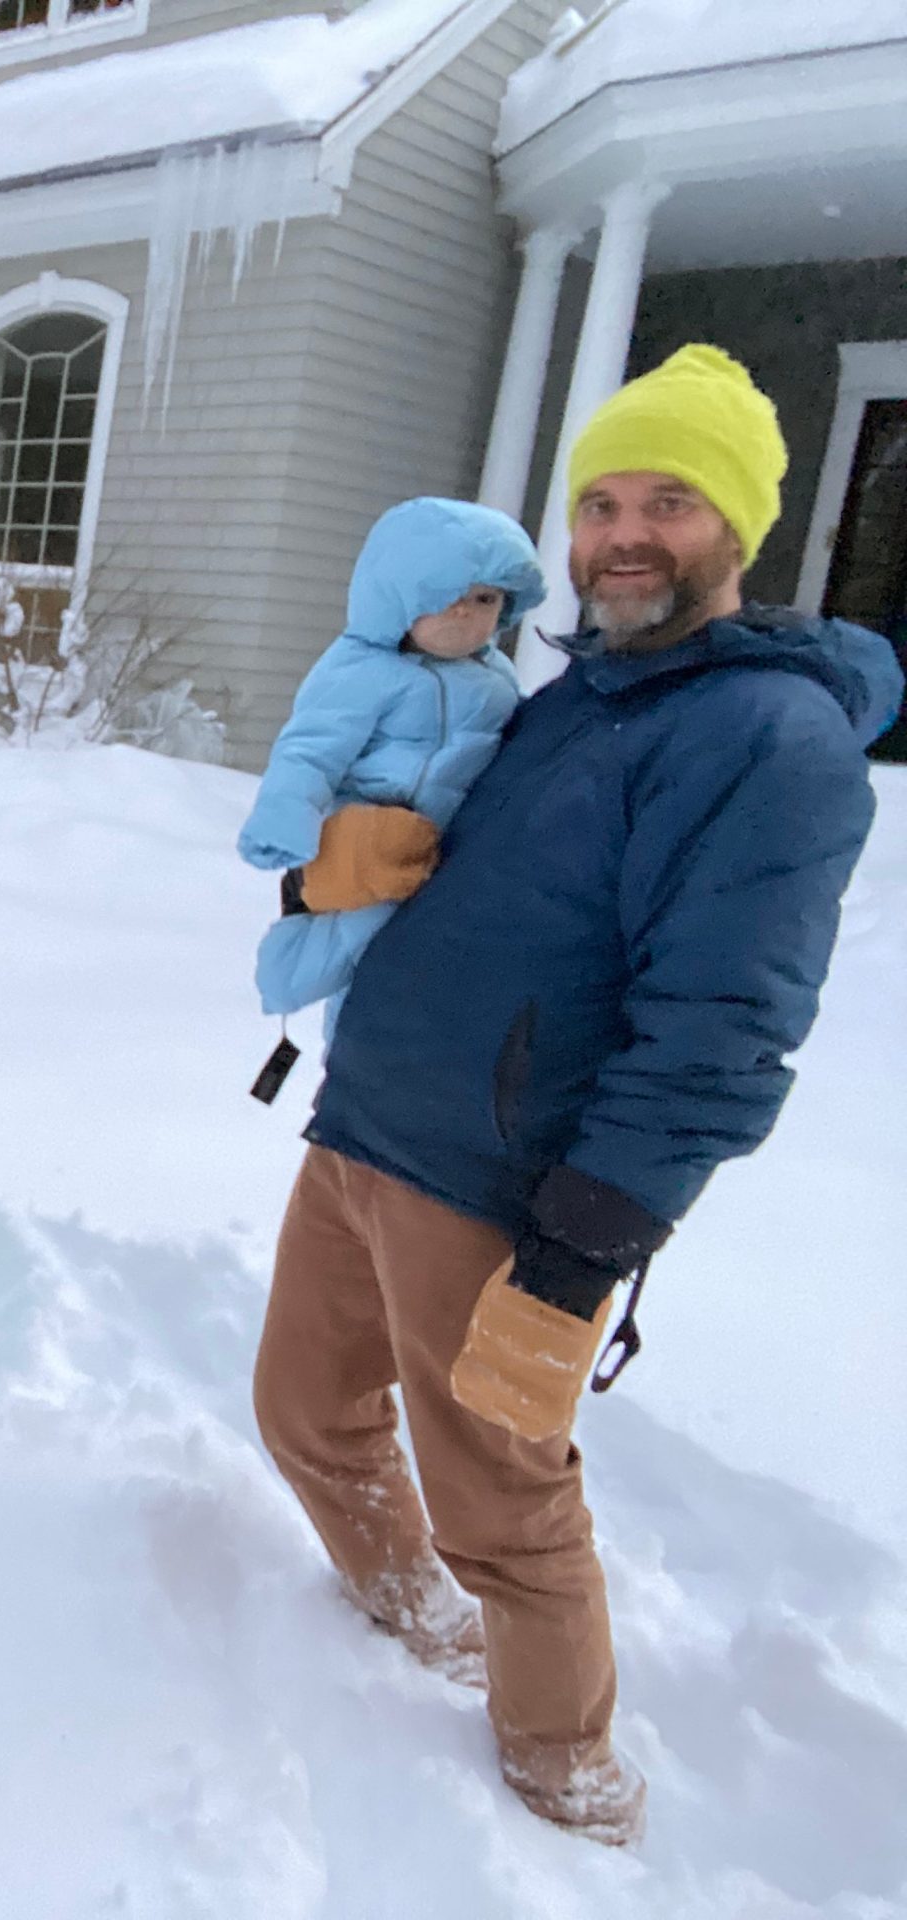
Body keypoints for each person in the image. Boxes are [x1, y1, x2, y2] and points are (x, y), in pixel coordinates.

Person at [253, 346, 903, 1844]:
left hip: (502, 1192)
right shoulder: (570, 696)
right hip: (363, 1133)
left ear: (736, 528)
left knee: (510, 1513)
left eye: (668, 500)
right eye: (601, 499)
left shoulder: (773, 742)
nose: (621, 532)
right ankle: (410, 1610)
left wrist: (578, 1254)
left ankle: (568, 1774)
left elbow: (724, 1031)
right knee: (304, 1411)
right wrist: (312, 873)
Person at [237, 497, 540, 1036]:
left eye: (486, 599)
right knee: (360, 938)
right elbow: (309, 748)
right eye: (449, 599)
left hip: (445, 848)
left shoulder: (498, 679)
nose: (467, 614)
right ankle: (294, 984)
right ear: (399, 598)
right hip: (370, 834)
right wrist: (283, 823)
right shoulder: (363, 669)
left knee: (421, 963)